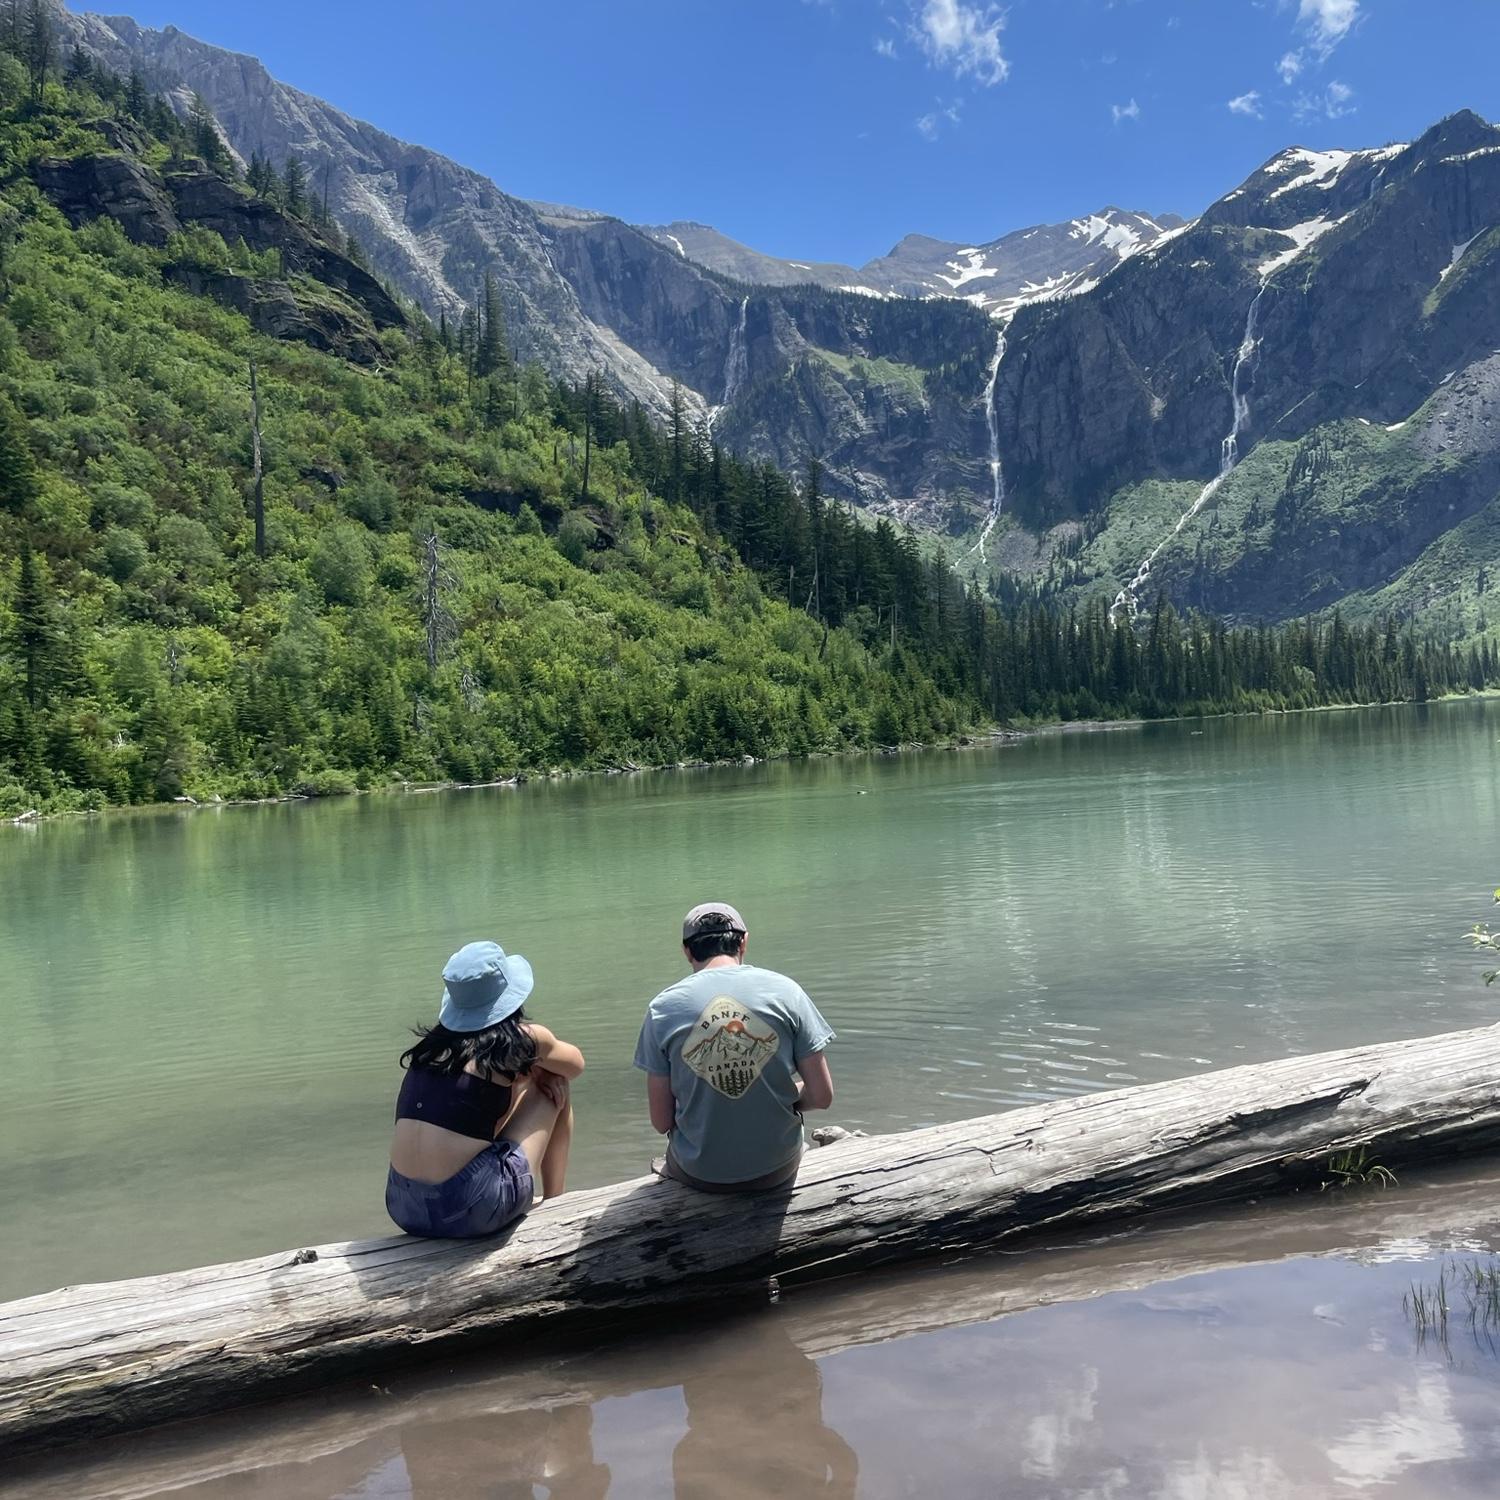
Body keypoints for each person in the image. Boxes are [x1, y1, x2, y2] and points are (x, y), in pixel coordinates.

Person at [387, 939, 584, 1237]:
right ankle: (556, 1200)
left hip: (402, 1205)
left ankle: (544, 1196)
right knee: (555, 1084)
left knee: (518, 1085)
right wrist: (542, 1070)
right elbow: (575, 1065)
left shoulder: (429, 1051)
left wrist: (532, 1072)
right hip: (469, 1210)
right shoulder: (523, 1039)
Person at [635, 902, 834, 1193]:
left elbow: (661, 1120)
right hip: (777, 1167)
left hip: (701, 1174)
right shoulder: (786, 991)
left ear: (687, 951)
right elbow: (822, 1096)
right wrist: (782, 1095)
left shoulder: (662, 1009)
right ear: (744, 942)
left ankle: (673, 1169)